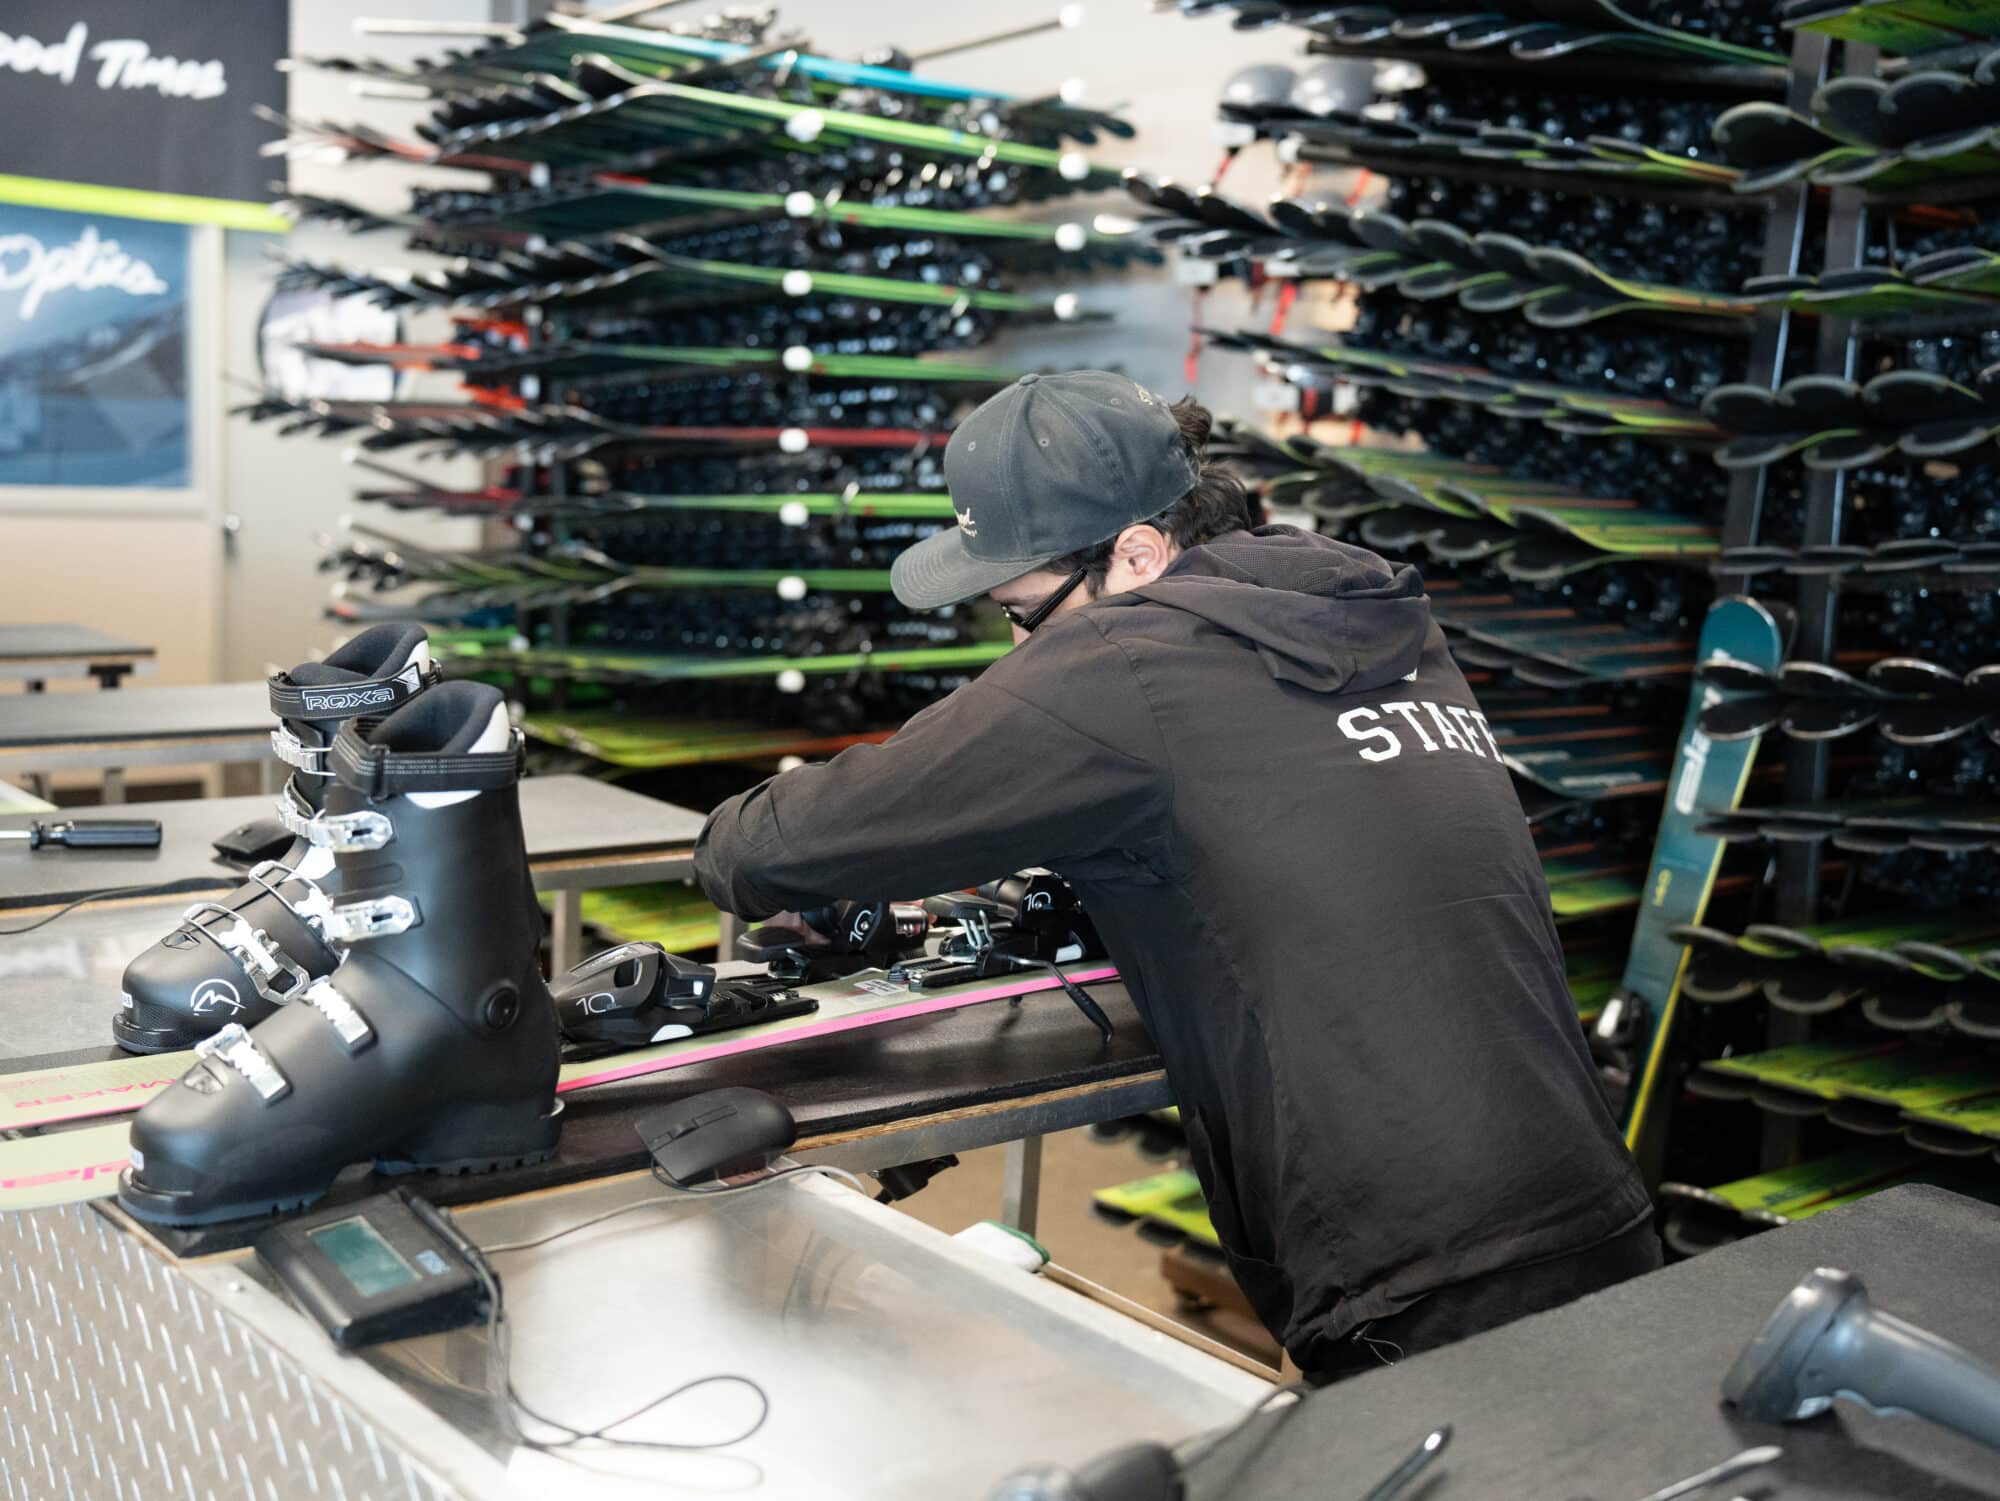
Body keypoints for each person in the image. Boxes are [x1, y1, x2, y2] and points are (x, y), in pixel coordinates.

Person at [693, 370, 1659, 1382]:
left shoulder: (1124, 655)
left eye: (1023, 613)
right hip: (1596, 1210)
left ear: (1139, 554)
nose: (1017, 649)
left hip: (1423, 1273)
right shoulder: (1379, 626)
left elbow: (762, 848)